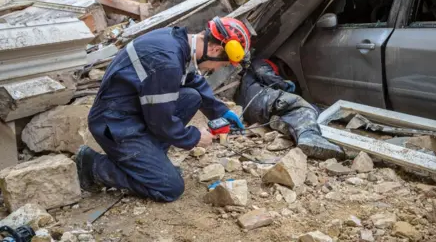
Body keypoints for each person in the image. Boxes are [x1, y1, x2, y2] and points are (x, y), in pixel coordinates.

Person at [76, 17, 250, 202]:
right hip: (116, 123)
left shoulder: (176, 42)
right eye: (222, 64)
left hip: (133, 110)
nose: (216, 69)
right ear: (215, 49)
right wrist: (195, 137)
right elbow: (161, 122)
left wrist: (220, 112)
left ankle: (149, 160)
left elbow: (192, 80)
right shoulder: (167, 62)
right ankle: (94, 166)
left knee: (192, 97)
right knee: (170, 188)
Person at [235, 58, 345, 160]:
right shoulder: (260, 61)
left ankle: (289, 127)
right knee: (300, 106)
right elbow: (266, 75)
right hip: (262, 100)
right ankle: (309, 137)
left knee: (291, 113)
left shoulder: (246, 81)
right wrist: (286, 86)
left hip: (252, 111)